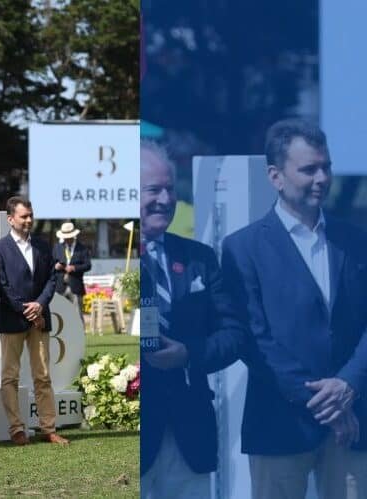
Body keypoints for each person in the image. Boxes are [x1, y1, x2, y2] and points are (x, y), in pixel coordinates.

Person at [220, 120, 367, 498]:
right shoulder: (243, 248)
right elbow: (254, 339)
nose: (322, 177)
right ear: (276, 176)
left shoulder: (356, 240)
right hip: (280, 424)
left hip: (351, 427)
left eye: (327, 166)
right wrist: (328, 404)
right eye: (308, 169)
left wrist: (349, 383)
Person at [138, 139, 246, 499]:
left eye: (170, 188)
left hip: (190, 433)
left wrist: (188, 353)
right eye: (154, 189)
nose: (166, 199)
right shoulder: (118, 260)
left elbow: (234, 334)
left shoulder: (200, 258)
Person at [0, 196, 67, 446]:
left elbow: (52, 280)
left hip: (40, 319)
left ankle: (48, 427)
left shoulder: (44, 246)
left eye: (31, 215)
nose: (29, 220)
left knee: (43, 376)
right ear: (10, 219)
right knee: (9, 376)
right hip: (13, 320)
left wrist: (40, 305)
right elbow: (2, 285)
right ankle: (16, 428)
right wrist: (25, 309)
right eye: (24, 216)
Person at [51, 222, 91, 319]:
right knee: (59, 314)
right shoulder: (57, 247)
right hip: (60, 286)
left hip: (75, 286)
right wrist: (55, 266)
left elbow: (88, 265)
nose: (66, 239)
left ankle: (79, 333)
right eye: (65, 237)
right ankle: (61, 334)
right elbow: (50, 264)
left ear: (73, 236)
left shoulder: (82, 249)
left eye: (68, 237)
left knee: (77, 314)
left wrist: (74, 268)